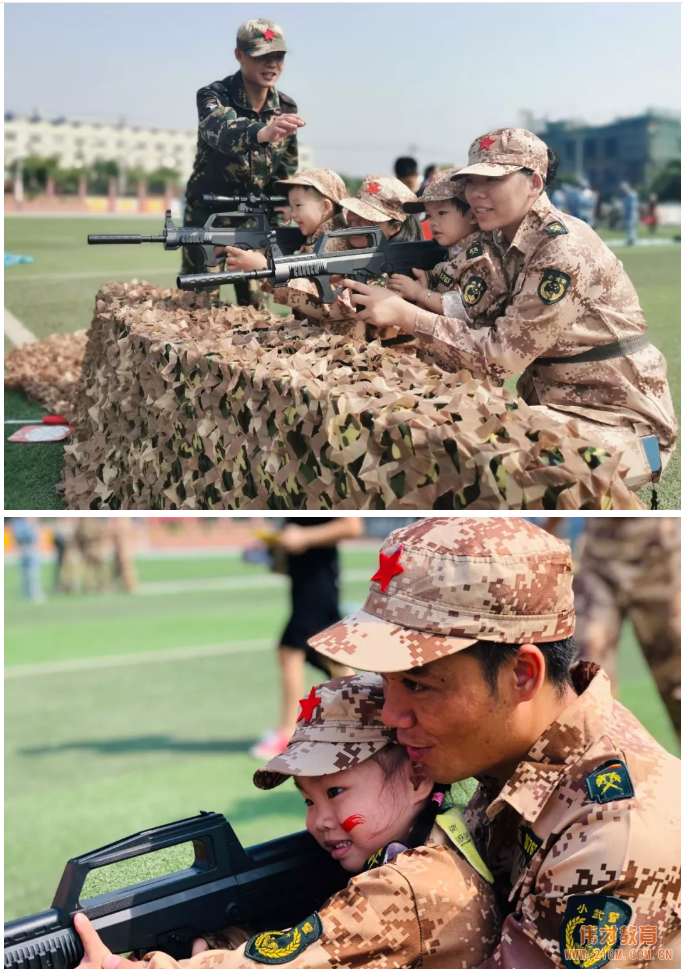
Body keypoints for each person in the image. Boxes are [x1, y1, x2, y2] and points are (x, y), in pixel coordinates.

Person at [307, 516, 682, 968]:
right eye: (386, 682)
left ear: (522, 675)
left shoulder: (614, 839)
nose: (390, 715)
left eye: (418, 685)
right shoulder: (504, 753)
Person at [74, 673, 501, 969]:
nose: (320, 820)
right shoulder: (439, 837)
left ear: (417, 777)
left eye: (335, 792)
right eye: (308, 801)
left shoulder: (405, 887)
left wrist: (117, 964)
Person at [343, 128, 677, 493]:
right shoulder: (501, 239)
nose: (476, 194)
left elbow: (500, 357)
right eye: (470, 182)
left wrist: (406, 315)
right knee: (439, 432)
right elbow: (471, 317)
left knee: (494, 461)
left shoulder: (561, 251)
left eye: (492, 180)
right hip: (550, 407)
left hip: (621, 421)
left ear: (533, 183)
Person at [182, 19, 305, 306]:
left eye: (278, 56)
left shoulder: (286, 107)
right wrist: (261, 132)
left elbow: (285, 172)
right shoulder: (213, 96)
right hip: (209, 217)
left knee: (254, 311)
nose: (271, 64)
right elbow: (221, 130)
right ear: (239, 55)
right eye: (261, 55)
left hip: (255, 221)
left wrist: (279, 225)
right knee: (198, 306)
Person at [250, 517, 362, 761]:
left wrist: (304, 536)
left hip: (318, 580)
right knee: (328, 656)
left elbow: (352, 525)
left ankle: (288, 734)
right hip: (305, 580)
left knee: (291, 649)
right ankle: (370, 719)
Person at [571, 517, 681, 740]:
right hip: (599, 555)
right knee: (587, 677)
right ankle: (596, 767)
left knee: (678, 679)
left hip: (663, 554)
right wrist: (547, 529)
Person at [386, 168, 508, 333]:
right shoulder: (454, 250)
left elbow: (461, 308)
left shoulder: (480, 257)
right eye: (429, 216)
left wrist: (420, 293)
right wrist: (426, 279)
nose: (433, 223)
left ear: (473, 215)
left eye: (442, 213)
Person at [7, 517, 43, 602]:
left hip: (28, 549)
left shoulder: (22, 524)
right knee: (28, 573)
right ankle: (29, 594)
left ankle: (32, 593)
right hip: (26, 549)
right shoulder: (21, 524)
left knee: (31, 573)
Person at [619, 181, 640, 246]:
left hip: (632, 213)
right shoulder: (625, 197)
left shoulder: (631, 195)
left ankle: (632, 240)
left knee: (631, 227)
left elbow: (633, 206)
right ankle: (630, 239)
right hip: (627, 214)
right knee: (628, 227)